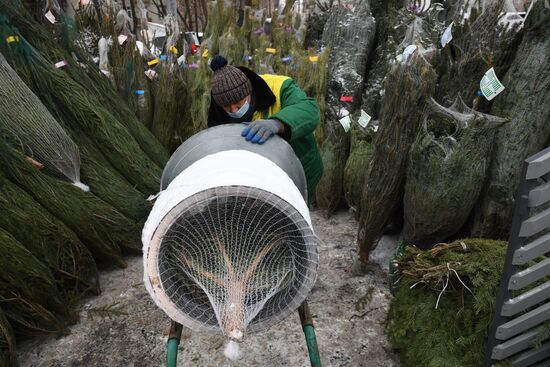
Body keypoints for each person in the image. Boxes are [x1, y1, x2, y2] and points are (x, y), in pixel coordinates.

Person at [207, 55, 323, 204]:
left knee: (294, 210)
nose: (234, 110)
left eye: (237, 103)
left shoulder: (280, 87)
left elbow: (310, 110)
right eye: (227, 107)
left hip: (300, 166)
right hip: (262, 179)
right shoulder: (218, 114)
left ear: (248, 92)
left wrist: (277, 123)